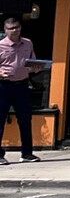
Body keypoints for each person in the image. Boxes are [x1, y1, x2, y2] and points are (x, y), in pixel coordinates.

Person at [0, 14, 53, 163]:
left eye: (16, 27)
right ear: (5, 30)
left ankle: (27, 153)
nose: (14, 31)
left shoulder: (28, 43)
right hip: (3, 86)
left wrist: (36, 68)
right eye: (10, 28)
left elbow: (31, 62)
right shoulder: (1, 46)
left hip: (22, 85)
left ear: (20, 28)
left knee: (25, 120)